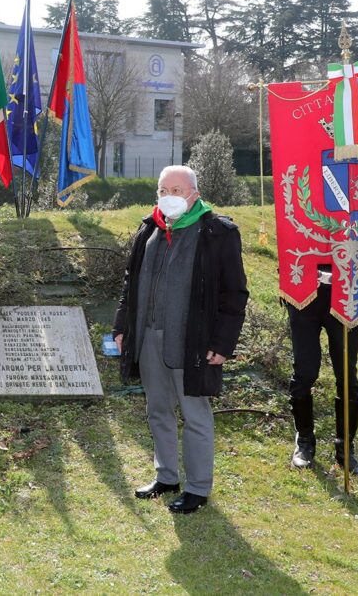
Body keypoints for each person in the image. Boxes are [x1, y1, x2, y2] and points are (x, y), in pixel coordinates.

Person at [112, 166, 248, 514]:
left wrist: (223, 342)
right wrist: (122, 326)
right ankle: (166, 476)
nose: (168, 197)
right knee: (158, 409)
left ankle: (198, 488)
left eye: (176, 189)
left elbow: (234, 293)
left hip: (194, 341)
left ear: (194, 194)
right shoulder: (149, 228)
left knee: (194, 413)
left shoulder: (217, 232)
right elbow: (132, 282)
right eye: (162, 190)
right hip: (149, 336)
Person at [285, 265, 358, 475]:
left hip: (346, 290)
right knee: (304, 373)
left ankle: (345, 448)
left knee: (346, 376)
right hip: (305, 288)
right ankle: (305, 440)